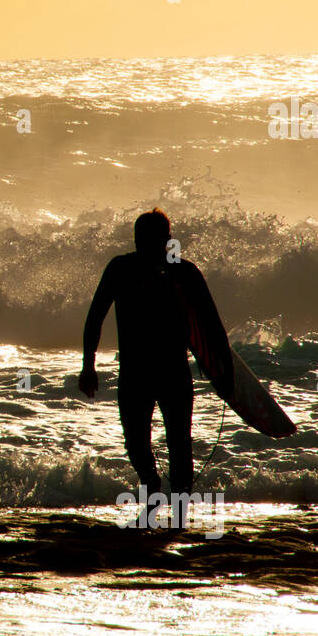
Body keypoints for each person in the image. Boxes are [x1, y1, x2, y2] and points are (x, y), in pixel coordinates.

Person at [79, 208, 226, 499]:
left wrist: (223, 373)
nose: (142, 243)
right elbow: (95, 316)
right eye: (139, 238)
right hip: (136, 372)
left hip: (172, 372)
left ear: (166, 240)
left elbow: (211, 324)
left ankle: (180, 508)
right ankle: (152, 484)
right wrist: (88, 365)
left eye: (150, 238)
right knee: (136, 443)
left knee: (179, 443)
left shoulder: (184, 272)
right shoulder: (120, 269)